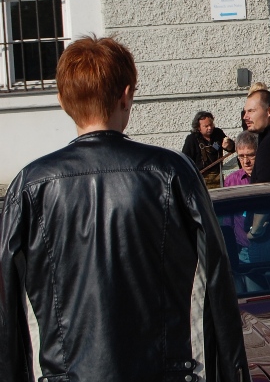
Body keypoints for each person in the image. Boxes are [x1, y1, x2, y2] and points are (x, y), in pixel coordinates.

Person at [0, 35, 248, 382]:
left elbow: (8, 309)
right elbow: (217, 281)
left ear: (62, 100)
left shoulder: (30, 185)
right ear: (127, 95)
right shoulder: (171, 172)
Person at [224, 130, 257, 263]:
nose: (245, 161)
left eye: (251, 155)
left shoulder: (269, 177)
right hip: (241, 249)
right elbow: (227, 219)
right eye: (241, 156)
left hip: (267, 245)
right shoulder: (231, 181)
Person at [182, 110, 235, 189]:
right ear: (198, 127)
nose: (210, 128)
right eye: (206, 126)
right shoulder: (192, 139)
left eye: (211, 124)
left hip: (218, 176)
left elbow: (232, 148)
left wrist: (228, 145)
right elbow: (185, 160)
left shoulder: (218, 133)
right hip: (200, 178)